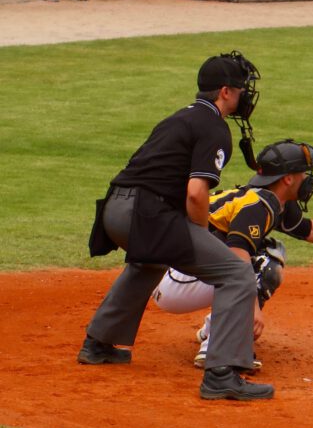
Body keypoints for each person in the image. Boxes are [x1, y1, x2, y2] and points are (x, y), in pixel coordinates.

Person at [81, 51, 275, 401]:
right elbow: (197, 194)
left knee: (150, 259)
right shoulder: (214, 127)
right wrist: (200, 234)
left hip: (115, 210)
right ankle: (222, 374)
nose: (245, 96)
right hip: (145, 214)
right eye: (242, 89)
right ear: (225, 92)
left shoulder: (181, 117)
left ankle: (98, 343)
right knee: (236, 272)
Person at [151, 139, 313, 368]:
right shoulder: (260, 205)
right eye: (304, 173)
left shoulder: (271, 199)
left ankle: (215, 331)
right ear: (288, 178)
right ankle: (217, 349)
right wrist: (251, 304)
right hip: (176, 280)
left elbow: (309, 230)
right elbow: (237, 251)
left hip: (179, 271)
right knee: (265, 262)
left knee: (267, 252)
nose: (309, 179)